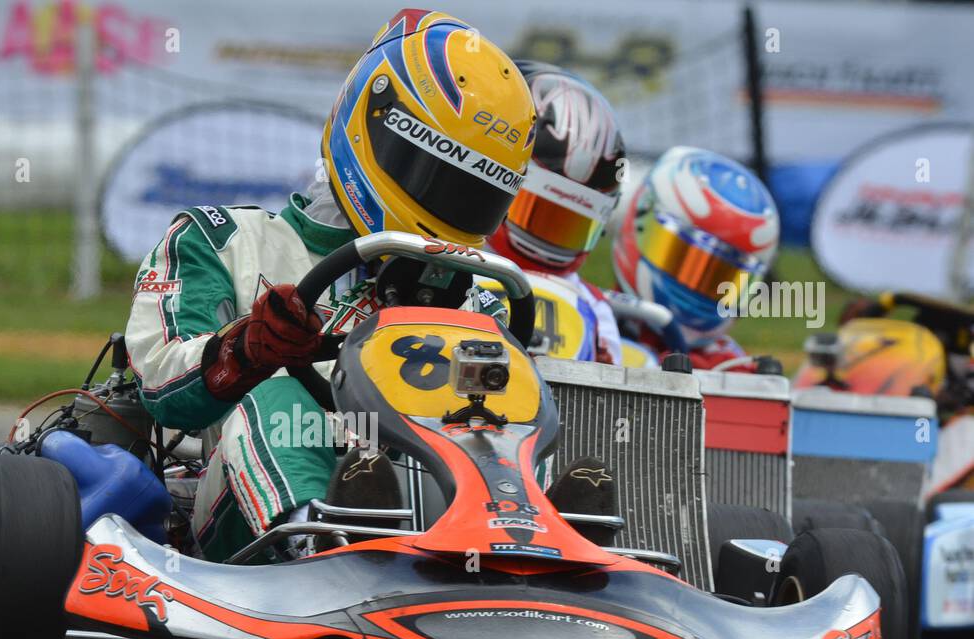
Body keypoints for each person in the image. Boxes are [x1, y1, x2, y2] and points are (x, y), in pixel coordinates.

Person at [125, 9, 536, 562]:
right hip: (239, 521)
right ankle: (320, 543)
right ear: (370, 130)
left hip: (440, 502)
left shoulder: (480, 294)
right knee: (277, 394)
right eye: (434, 179)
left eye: (470, 194)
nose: (446, 208)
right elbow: (159, 387)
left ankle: (540, 548)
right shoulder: (223, 241)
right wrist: (247, 348)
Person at [485, 62, 627, 366]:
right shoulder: (446, 257)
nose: (548, 234)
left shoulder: (594, 308)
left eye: (570, 223)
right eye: (538, 211)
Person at [612, 146, 780, 370]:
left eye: (720, 280)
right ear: (640, 226)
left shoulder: (732, 370)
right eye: (684, 262)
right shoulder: (592, 328)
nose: (697, 287)